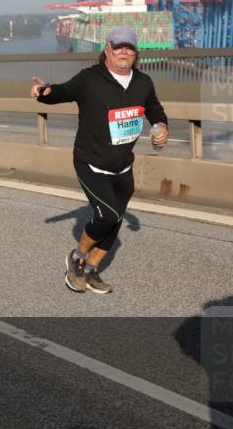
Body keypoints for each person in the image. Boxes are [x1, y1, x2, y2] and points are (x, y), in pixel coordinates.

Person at [32, 26, 168, 294]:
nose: (124, 52)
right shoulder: (89, 79)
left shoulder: (143, 82)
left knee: (115, 220)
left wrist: (162, 125)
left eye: (129, 48)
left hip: (123, 164)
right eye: (118, 47)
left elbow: (153, 107)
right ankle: (77, 258)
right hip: (91, 161)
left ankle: (93, 270)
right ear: (107, 50)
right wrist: (45, 92)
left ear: (136, 53)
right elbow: (64, 92)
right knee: (107, 216)